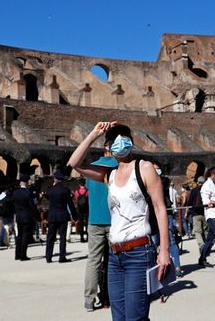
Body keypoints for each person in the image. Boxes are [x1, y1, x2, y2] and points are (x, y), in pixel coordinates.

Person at [68, 122, 170, 321]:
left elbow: (160, 209)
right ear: (107, 146)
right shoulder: (109, 175)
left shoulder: (144, 168)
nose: (121, 141)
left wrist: (164, 250)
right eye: (115, 139)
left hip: (139, 253)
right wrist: (94, 133)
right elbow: (74, 163)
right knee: (119, 318)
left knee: (135, 317)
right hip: (115, 256)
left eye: (125, 137)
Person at [83, 150, 115, 312]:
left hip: (94, 220)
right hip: (114, 221)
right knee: (114, 260)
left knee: (93, 260)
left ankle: (89, 299)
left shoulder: (92, 167)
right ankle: (111, 296)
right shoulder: (118, 166)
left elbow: (89, 189)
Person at [46, 171, 77, 263]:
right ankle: (62, 257)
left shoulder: (49, 190)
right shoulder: (65, 190)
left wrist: (52, 185)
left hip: (52, 215)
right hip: (62, 215)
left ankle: (48, 257)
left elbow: (48, 197)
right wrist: (75, 216)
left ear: (55, 179)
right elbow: (70, 204)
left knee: (50, 237)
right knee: (62, 237)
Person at [12, 175, 38, 261]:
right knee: (25, 236)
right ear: (26, 182)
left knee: (19, 235)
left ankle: (17, 254)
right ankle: (23, 255)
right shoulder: (28, 192)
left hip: (18, 216)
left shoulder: (15, 192)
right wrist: (36, 216)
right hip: (27, 216)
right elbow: (32, 206)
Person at [188, 177, 207, 253]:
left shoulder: (194, 191)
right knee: (205, 231)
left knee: (197, 231)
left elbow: (189, 202)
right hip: (205, 213)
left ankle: (201, 244)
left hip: (196, 213)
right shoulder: (206, 190)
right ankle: (206, 245)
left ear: (198, 182)